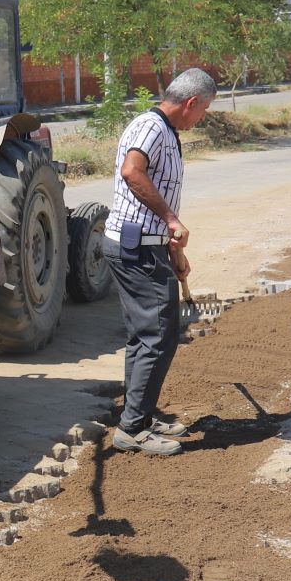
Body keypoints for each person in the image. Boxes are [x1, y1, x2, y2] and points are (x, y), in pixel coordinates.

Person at [105, 68, 217, 457]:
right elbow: (131, 172)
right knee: (157, 336)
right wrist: (171, 221)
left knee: (145, 336)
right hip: (136, 249)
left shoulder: (164, 131)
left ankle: (140, 414)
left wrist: (175, 253)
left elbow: (157, 199)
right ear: (191, 103)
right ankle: (132, 429)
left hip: (148, 246)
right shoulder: (151, 128)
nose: (200, 118)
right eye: (203, 111)